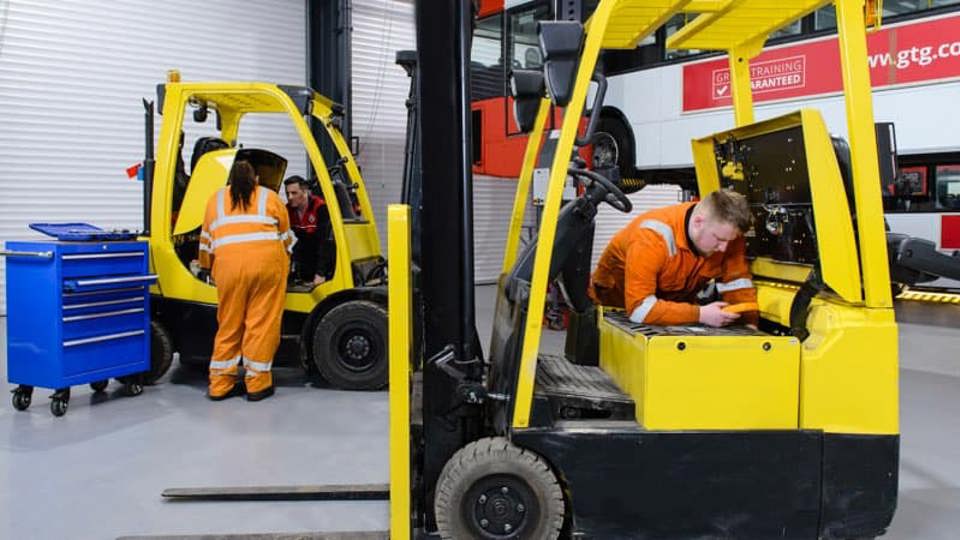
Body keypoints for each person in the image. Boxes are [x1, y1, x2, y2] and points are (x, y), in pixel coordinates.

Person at [198, 160, 295, 401]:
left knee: (229, 324)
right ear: (257, 179)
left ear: (229, 179)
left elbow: (206, 243)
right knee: (260, 324)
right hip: (266, 269)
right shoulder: (269, 197)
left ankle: (220, 385)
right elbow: (286, 238)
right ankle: (257, 384)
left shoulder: (216, 200)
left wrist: (207, 267)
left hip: (228, 271)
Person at [589, 189, 758, 328]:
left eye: (729, 240)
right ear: (698, 222)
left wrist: (749, 326)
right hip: (613, 314)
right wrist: (700, 314)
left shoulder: (726, 234)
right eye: (719, 240)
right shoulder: (651, 237)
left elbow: (737, 284)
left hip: (672, 314)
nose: (724, 248)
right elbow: (639, 310)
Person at [284, 175, 333, 285]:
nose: (290, 197)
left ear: (304, 191)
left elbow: (325, 242)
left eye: (294, 193)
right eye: (288, 194)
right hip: (304, 246)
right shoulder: (287, 210)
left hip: (322, 249)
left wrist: (320, 273)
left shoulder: (320, 207)